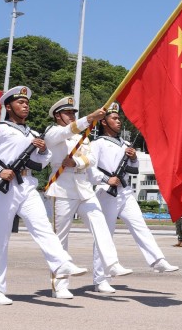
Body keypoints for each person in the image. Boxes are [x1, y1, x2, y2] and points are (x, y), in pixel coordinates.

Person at [0, 86, 88, 305]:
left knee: (42, 225)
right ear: (8, 107)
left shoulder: (34, 134)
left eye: (27, 103)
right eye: (20, 103)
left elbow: (41, 163)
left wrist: (43, 151)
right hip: (4, 183)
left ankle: (61, 263)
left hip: (27, 183)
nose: (25, 105)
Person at [44, 97, 132, 298]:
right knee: (60, 238)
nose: (72, 116)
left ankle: (111, 264)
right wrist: (89, 118)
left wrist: (75, 162)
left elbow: (91, 159)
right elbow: (67, 131)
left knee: (100, 224)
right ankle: (60, 284)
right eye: (68, 113)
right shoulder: (53, 132)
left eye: (74, 113)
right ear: (58, 116)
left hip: (83, 186)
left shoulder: (82, 137)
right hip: (62, 187)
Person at [90, 104, 181, 291]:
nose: (118, 121)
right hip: (106, 192)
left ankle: (157, 260)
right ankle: (101, 279)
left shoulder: (125, 144)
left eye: (118, 118)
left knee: (140, 225)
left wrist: (132, 157)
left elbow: (134, 169)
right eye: (114, 118)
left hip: (125, 192)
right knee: (105, 235)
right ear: (103, 122)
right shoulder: (96, 144)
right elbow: (89, 168)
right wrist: (107, 179)